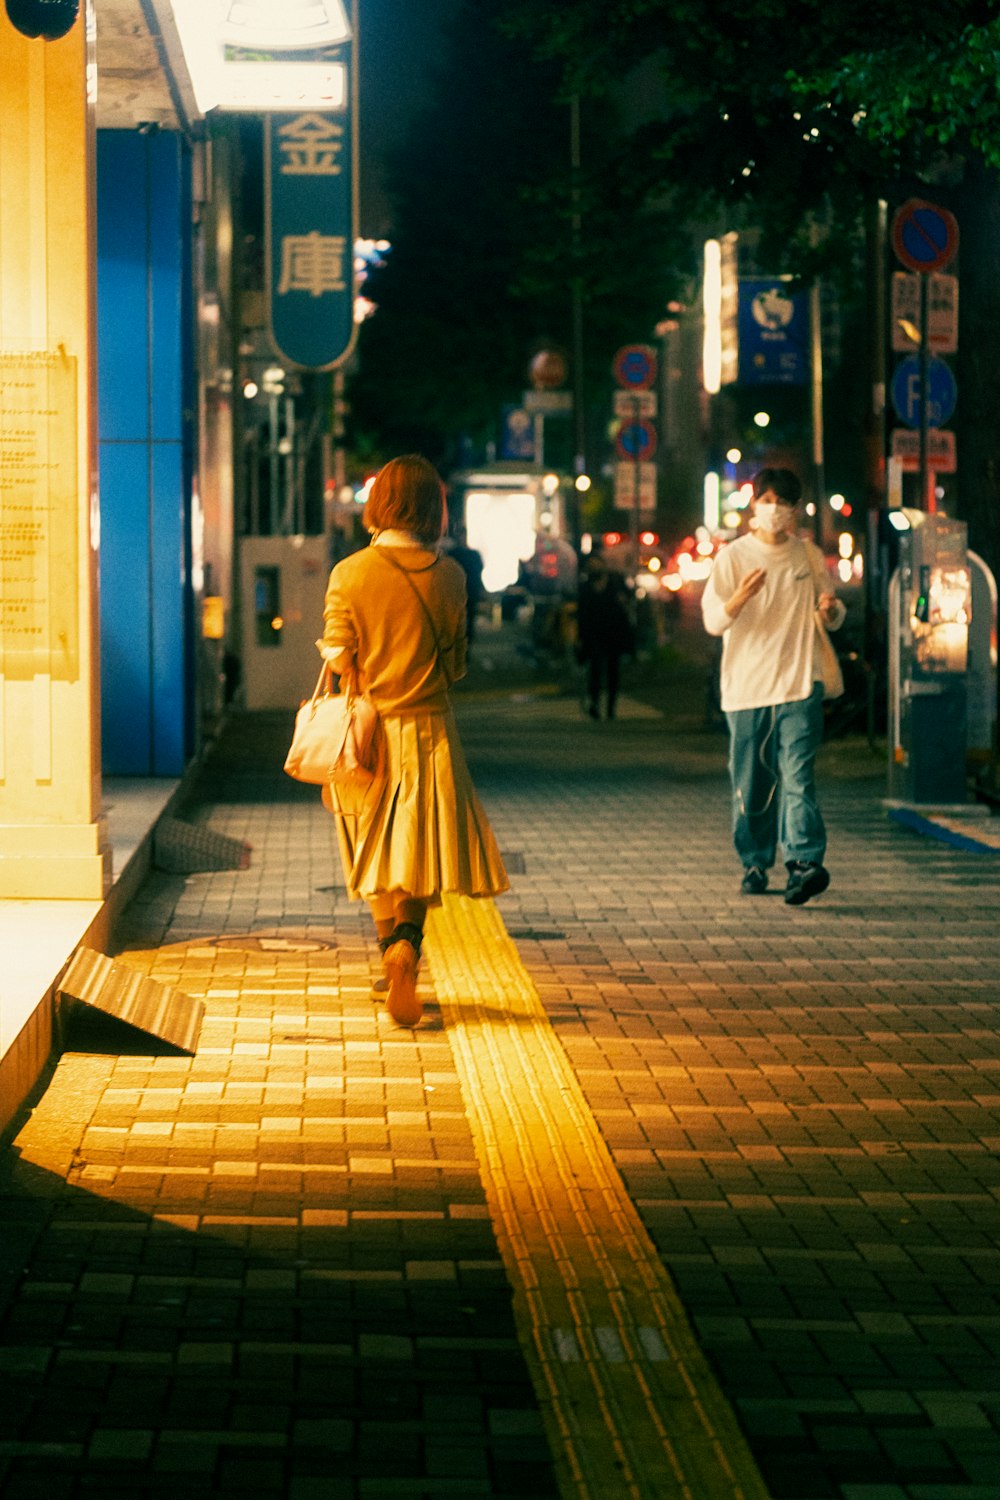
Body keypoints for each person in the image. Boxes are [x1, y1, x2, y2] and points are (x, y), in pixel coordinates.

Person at [319, 455, 509, 1025]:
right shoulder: (450, 576)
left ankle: (388, 956)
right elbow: (454, 666)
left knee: (374, 852)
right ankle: (408, 943)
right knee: (419, 854)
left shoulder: (349, 573)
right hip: (429, 734)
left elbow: (338, 655)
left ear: (379, 503)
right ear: (434, 507)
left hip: (367, 735)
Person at [701, 466, 845, 904]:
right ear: (754, 503)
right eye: (768, 501)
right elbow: (713, 621)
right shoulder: (733, 557)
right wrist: (740, 597)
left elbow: (833, 617)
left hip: (802, 681)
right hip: (747, 686)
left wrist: (829, 610)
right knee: (751, 779)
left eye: (785, 503)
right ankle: (755, 860)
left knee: (798, 775)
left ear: (796, 510)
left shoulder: (808, 556)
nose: (777, 510)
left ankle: (803, 863)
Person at [576, 554, 635, 720]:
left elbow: (628, 600)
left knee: (612, 670)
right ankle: (594, 703)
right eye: (591, 566)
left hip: (614, 632)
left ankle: (610, 706)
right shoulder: (586, 587)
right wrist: (581, 637)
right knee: (595, 668)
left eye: (596, 565)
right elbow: (582, 613)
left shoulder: (615, 583)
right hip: (594, 634)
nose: (594, 569)